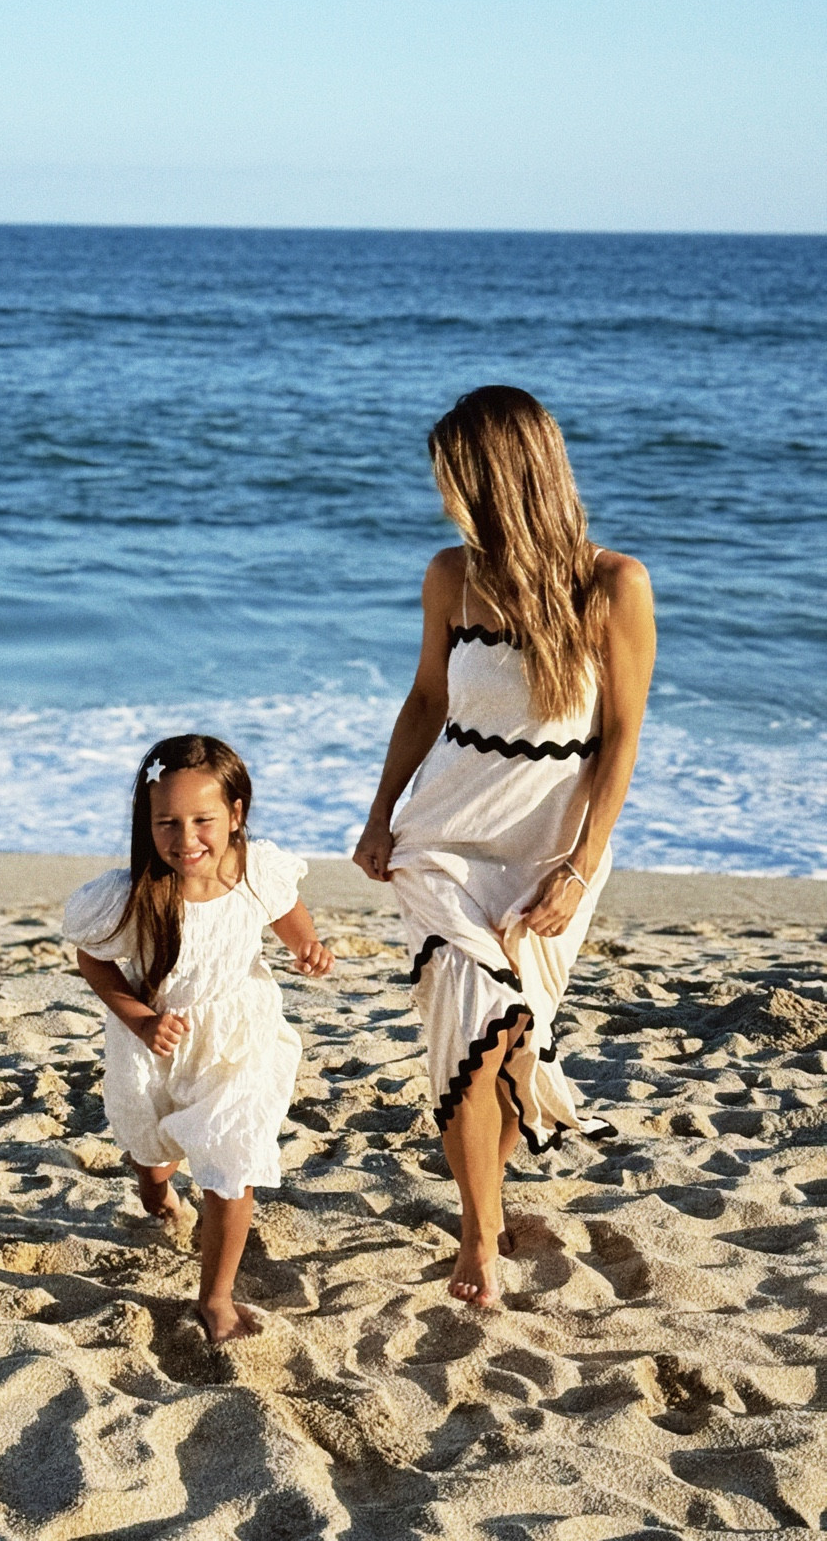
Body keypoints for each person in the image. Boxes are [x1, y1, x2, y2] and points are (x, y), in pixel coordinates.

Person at [352, 386, 656, 1306]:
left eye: (456, 475)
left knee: (503, 1041)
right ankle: (479, 1236)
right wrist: (379, 815)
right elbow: (425, 703)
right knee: (468, 1031)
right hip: (442, 837)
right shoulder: (452, 574)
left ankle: (486, 1194)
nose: (446, 494)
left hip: (547, 855)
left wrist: (578, 865)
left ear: (500, 476)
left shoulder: (615, 586)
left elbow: (621, 741)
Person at [64, 734, 335, 1343]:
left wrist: (304, 945)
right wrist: (139, 1019)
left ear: (235, 815)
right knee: (151, 1143)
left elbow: (286, 907)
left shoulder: (255, 871)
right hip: (155, 1036)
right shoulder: (129, 895)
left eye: (202, 820)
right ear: (148, 823)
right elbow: (94, 961)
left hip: (238, 1037)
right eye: (168, 823)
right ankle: (154, 1190)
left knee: (231, 1158)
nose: (186, 839)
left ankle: (216, 1296)